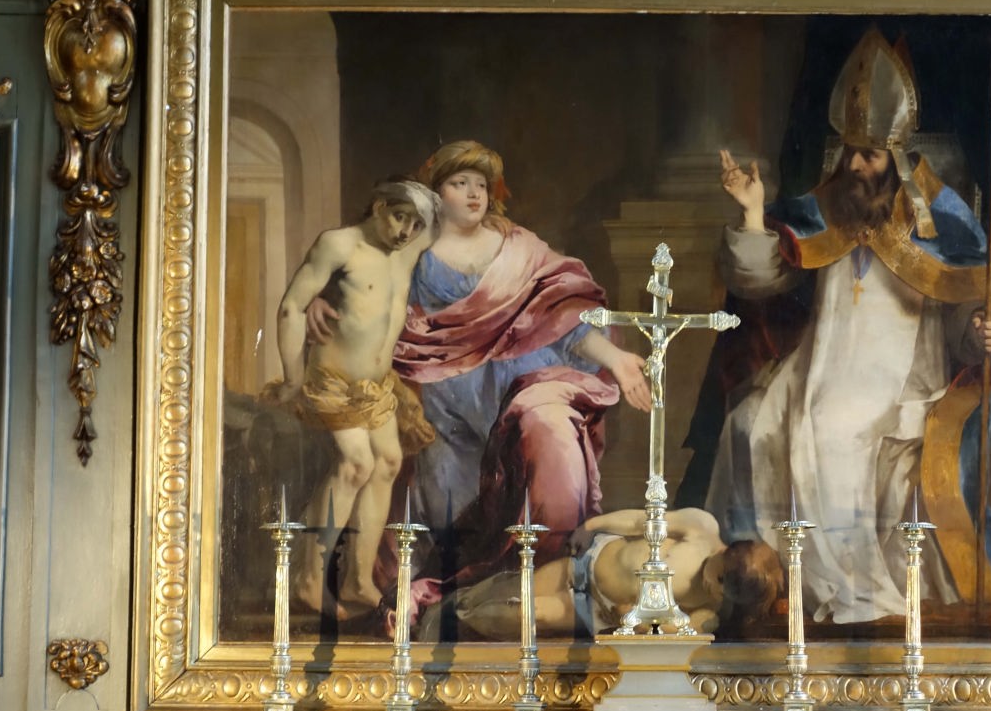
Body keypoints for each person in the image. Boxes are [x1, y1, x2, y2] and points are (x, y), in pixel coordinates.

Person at [708, 27, 991, 626]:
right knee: (751, 424)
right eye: (852, 152)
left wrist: (984, 329)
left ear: (897, 155)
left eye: (872, 154)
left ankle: (848, 588)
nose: (858, 165)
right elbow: (764, 278)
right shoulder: (825, 206)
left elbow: (973, 292)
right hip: (818, 366)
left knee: (835, 433)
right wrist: (754, 213)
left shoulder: (936, 216)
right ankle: (771, 583)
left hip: (902, 379)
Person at [312, 141, 651, 618]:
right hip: (444, 396)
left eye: (481, 185)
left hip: (516, 388)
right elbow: (359, 283)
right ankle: (450, 597)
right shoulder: (412, 247)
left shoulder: (518, 247)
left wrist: (614, 357)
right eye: (459, 183)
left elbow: (563, 315)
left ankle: (534, 588)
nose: (474, 194)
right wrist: (318, 298)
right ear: (435, 192)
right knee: (448, 494)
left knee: (539, 458)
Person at [271, 178, 440, 616]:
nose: (406, 231)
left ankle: (357, 580)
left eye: (415, 224)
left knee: (388, 462)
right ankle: (309, 580)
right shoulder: (340, 244)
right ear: (379, 206)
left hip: (376, 387)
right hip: (333, 379)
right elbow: (292, 306)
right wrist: (292, 376)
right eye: (399, 217)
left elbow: (453, 213)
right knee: (355, 464)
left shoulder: (408, 250)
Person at [442, 507, 782, 640]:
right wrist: (592, 525)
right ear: (726, 553)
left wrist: (633, 620)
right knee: (521, 589)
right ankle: (456, 609)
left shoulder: (710, 612)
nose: (715, 590)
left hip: (596, 608)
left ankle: (459, 619)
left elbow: (677, 630)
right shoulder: (701, 527)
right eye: (719, 579)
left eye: (724, 593)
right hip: (588, 562)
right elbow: (638, 521)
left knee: (529, 614)